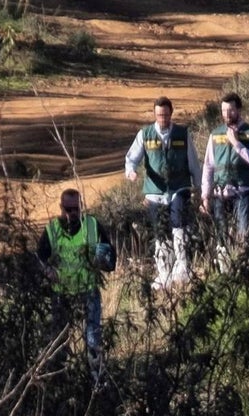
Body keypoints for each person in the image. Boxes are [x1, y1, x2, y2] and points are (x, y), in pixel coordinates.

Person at [124, 96, 201, 289]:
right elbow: (131, 158)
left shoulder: (183, 134)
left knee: (179, 226)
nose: (162, 119)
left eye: (166, 115)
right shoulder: (145, 134)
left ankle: (182, 268)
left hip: (179, 188)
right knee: (159, 232)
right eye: (159, 115)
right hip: (154, 192)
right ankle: (164, 273)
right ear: (154, 114)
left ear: (171, 114)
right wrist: (131, 171)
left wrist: (199, 188)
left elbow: (193, 162)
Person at [37, 188, 113, 382]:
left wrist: (102, 260)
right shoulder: (52, 229)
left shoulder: (93, 225)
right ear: (61, 208)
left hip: (88, 291)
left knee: (93, 339)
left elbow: (111, 259)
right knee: (59, 342)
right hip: (61, 294)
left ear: (81, 208)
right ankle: (60, 382)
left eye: (75, 209)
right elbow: (39, 258)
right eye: (68, 209)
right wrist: (48, 272)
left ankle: (97, 382)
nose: (72, 214)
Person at [201, 92, 249, 265]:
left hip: (244, 191)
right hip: (220, 192)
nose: (227, 114)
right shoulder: (215, 134)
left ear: (239, 110)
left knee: (244, 232)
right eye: (223, 111)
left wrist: (236, 143)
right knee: (221, 234)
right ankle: (224, 269)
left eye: (230, 110)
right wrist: (205, 195)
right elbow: (208, 166)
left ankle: (245, 266)